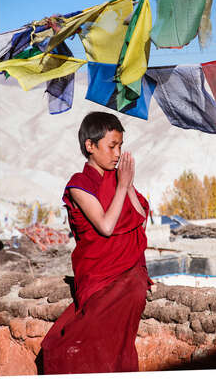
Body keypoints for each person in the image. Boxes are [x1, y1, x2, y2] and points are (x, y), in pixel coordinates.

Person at [41, 111, 152, 374]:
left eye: (120, 146)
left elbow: (140, 220)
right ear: (90, 146)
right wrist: (123, 187)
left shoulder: (120, 180)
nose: (117, 154)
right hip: (97, 275)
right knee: (65, 347)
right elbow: (105, 226)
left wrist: (128, 184)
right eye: (112, 146)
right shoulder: (79, 184)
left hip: (129, 274)